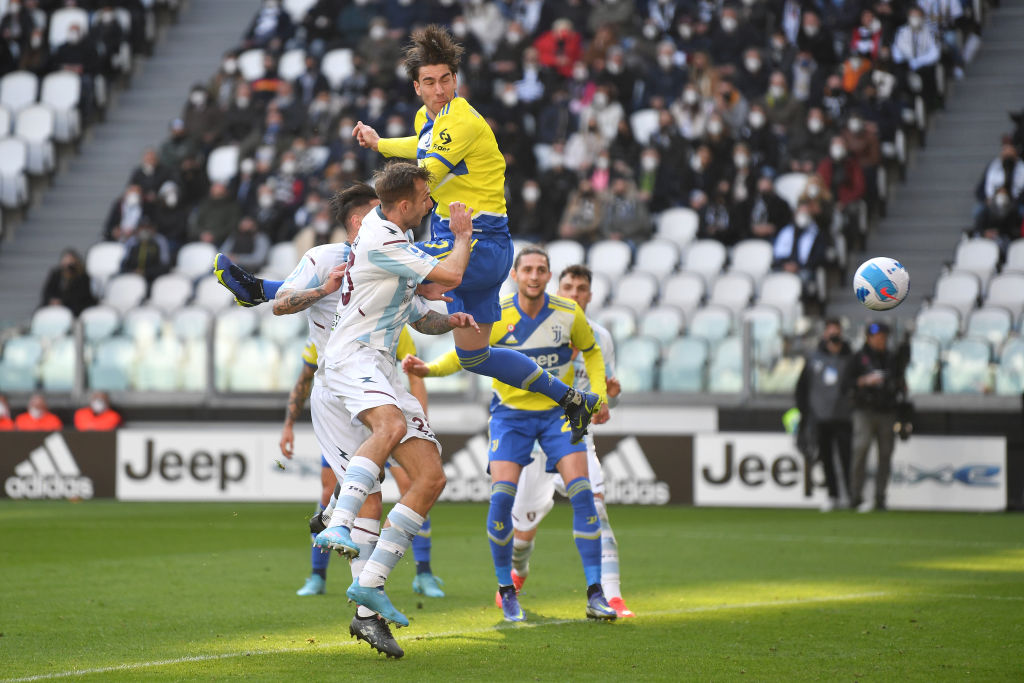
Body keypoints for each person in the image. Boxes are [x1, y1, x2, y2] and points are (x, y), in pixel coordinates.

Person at [349, 24, 602, 444]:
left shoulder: (462, 119)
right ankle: (573, 399)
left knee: (371, 260)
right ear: (417, 87)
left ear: (456, 79)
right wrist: (381, 144)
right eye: (429, 82)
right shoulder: (428, 119)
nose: (440, 89)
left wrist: (375, 196)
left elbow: (424, 178)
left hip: (474, 243)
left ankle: (272, 292)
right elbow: (421, 143)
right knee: (475, 356)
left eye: (446, 79)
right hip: (478, 243)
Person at [218, 181, 413, 657]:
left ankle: (335, 515)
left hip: (379, 378)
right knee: (372, 497)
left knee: (402, 482)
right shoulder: (328, 257)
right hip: (337, 386)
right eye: (376, 215)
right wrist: (320, 290)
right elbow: (284, 306)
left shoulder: (388, 257)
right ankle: (366, 614)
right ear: (356, 221)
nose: (387, 222)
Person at [403, 246, 616, 623]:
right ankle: (506, 589)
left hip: (558, 415)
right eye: (528, 269)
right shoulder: (498, 312)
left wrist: (594, 395)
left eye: (541, 270)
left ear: (549, 277)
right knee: (502, 500)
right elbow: (467, 353)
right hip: (511, 416)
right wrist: (430, 370)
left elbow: (592, 351)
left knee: (583, 493)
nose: (534, 276)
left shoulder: (569, 313)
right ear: (515, 275)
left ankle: (596, 593)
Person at [312, 162, 479, 632]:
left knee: (430, 478)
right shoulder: (382, 239)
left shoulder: (399, 245)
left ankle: (371, 583)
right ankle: (338, 520)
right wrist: (463, 235)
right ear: (404, 205)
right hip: (352, 358)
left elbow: (421, 317)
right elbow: (452, 274)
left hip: (381, 364)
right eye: (427, 198)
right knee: (391, 426)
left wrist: (452, 323)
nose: (432, 205)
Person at [487, 263, 634, 617]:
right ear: (559, 289)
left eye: (581, 288)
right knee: (522, 527)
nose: (574, 294)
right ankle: (517, 573)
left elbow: (606, 388)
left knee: (594, 504)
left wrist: (606, 400)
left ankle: (610, 595)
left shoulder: (598, 336)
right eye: (568, 287)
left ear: (590, 295)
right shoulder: (540, 324)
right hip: (528, 438)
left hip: (571, 433)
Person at [843, 321, 907, 512]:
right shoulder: (858, 358)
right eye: (877, 337)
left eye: (883, 337)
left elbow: (900, 382)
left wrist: (896, 384)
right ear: (869, 338)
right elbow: (845, 384)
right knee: (861, 450)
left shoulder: (891, 358)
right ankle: (855, 496)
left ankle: (880, 497)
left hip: (887, 410)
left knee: (885, 454)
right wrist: (864, 381)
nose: (881, 340)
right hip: (864, 410)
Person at [795, 319, 853, 512]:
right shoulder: (814, 358)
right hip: (820, 417)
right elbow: (801, 388)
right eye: (830, 333)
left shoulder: (850, 357)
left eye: (836, 333)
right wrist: (805, 414)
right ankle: (833, 495)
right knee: (826, 458)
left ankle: (851, 495)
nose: (833, 337)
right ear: (824, 335)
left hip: (844, 417)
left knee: (848, 458)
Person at [40, 249, 96, 316]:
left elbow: (81, 296)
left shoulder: (83, 277)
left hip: (76, 307)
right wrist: (52, 300)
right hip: (57, 306)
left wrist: (62, 302)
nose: (67, 266)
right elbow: (47, 291)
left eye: (70, 262)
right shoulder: (56, 275)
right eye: (65, 261)